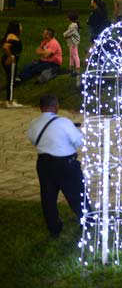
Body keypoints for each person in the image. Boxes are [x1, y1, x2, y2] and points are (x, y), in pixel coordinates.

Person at [26, 95, 85, 237]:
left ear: (41, 107)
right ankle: (87, 221)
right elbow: (79, 142)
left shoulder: (34, 123)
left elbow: (33, 140)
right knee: (77, 195)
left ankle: (54, 227)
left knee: (48, 197)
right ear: (56, 106)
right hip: (66, 165)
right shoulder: (64, 122)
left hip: (44, 164)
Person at [2, 21, 24, 107]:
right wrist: (10, 56)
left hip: (11, 59)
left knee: (10, 79)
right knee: (11, 80)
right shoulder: (12, 36)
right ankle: (10, 101)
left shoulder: (12, 35)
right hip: (12, 60)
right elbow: (5, 46)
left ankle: (9, 100)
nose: (21, 28)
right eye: (20, 26)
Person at [63, 12, 81, 76]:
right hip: (72, 43)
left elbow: (68, 33)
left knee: (75, 55)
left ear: (70, 18)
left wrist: (64, 35)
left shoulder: (73, 26)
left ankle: (77, 69)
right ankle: (71, 68)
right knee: (71, 55)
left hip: (73, 43)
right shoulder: (74, 25)